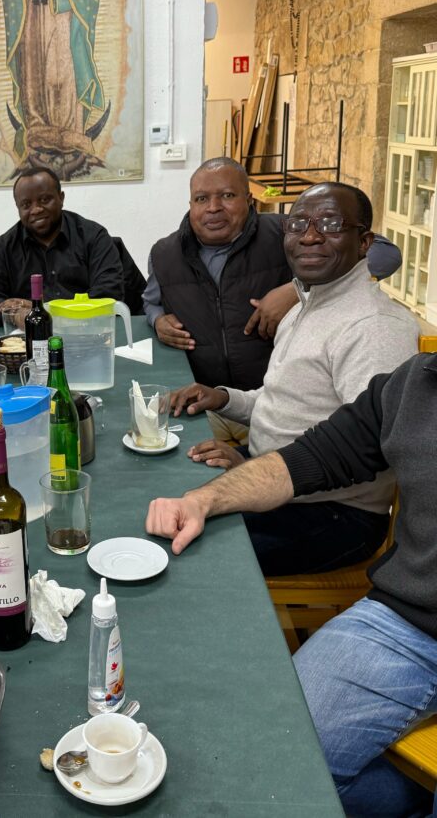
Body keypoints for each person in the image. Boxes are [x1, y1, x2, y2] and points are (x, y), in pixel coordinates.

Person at [145, 345, 437, 817]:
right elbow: (311, 457)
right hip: (406, 625)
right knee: (270, 766)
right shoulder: (416, 382)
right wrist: (204, 500)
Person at [165, 182, 418, 575]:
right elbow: (283, 401)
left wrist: (253, 474)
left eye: (331, 224)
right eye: (298, 224)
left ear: (365, 242)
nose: (311, 236)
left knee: (186, 555)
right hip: (279, 482)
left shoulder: (373, 328)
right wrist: (223, 398)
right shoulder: (306, 306)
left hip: (333, 515)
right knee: (167, 494)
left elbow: (367, 450)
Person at [143, 158, 402, 416]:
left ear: (249, 200)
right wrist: (157, 320)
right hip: (208, 401)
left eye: (227, 195)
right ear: (190, 204)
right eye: (201, 199)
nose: (213, 208)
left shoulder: (289, 233)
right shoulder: (165, 254)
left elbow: (386, 254)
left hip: (279, 403)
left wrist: (296, 290)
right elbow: (150, 300)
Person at [2, 0, 107, 178]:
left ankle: (69, 131)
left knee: (63, 72)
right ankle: (38, 129)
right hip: (31, 23)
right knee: (35, 76)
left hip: (63, 19)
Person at [0, 166, 124, 325]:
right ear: (18, 208)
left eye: (44, 200)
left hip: (86, 333)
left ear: (61, 198)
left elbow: (109, 293)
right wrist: (16, 314)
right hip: (28, 341)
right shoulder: (2, 249)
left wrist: (42, 310)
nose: (36, 209)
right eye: (26, 204)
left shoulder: (93, 237)